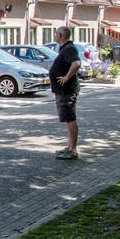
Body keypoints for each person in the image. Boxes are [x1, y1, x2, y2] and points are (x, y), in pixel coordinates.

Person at [49, 26, 82, 160]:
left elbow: (77, 63)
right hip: (63, 91)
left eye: (56, 33)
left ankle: (72, 150)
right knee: (68, 119)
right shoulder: (65, 48)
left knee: (70, 119)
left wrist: (66, 77)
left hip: (67, 91)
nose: (55, 35)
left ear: (61, 35)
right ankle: (69, 147)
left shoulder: (69, 49)